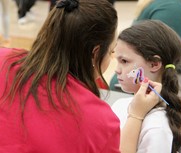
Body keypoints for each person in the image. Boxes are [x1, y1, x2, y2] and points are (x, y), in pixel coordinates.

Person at [0, 0, 161, 152]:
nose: (116, 66)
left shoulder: (4, 59)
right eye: (111, 52)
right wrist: (136, 115)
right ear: (95, 53)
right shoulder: (97, 120)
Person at [112, 20, 181, 152]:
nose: (117, 70)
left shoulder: (157, 127)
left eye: (124, 61)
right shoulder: (119, 105)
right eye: (117, 60)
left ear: (154, 64)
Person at [110, 0, 181, 90]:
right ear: (155, 64)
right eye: (123, 61)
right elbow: (168, 57)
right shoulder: (172, 9)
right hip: (133, 88)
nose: (116, 69)